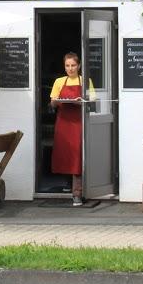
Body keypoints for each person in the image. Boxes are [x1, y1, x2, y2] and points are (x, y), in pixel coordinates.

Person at [49, 52, 93, 207]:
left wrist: (82, 102)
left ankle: (77, 194)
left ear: (79, 66)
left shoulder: (85, 81)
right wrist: (56, 101)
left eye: (73, 65)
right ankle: (67, 183)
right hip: (63, 123)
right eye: (67, 65)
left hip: (78, 123)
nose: (70, 68)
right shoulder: (59, 81)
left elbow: (92, 102)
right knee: (65, 154)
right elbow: (53, 103)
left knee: (77, 156)